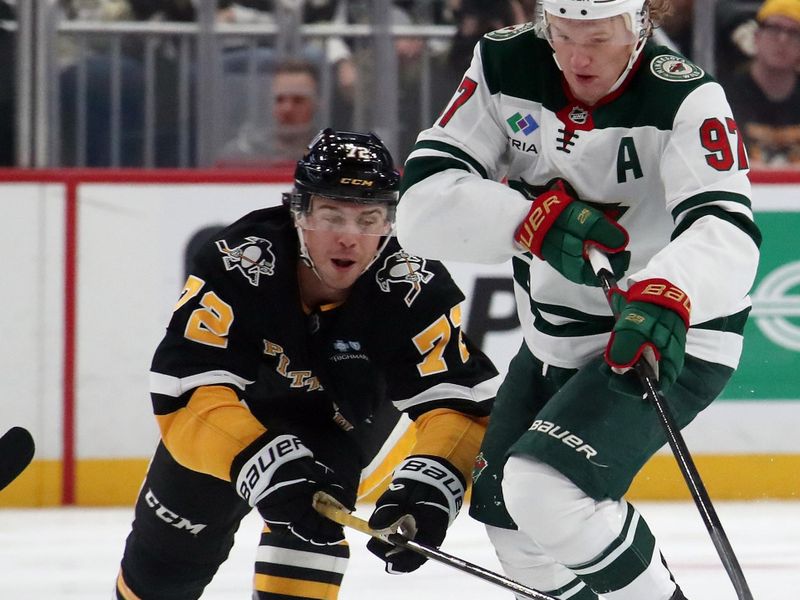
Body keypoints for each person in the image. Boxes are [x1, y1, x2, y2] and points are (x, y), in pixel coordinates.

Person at [395, 1, 761, 599]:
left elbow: (726, 227)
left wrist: (668, 290)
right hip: (554, 337)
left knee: (545, 489)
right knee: (513, 528)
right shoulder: (504, 62)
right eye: (562, 36)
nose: (577, 57)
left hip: (666, 329)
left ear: (641, 23)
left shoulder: (687, 97)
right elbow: (421, 206)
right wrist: (526, 219)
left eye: (598, 38)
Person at [114, 128, 498, 600]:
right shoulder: (241, 260)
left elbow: (457, 404)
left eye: (369, 218)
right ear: (299, 211)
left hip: (339, 430)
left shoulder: (411, 284)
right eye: (332, 214)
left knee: (306, 552)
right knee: (159, 574)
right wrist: (259, 458)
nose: (349, 239)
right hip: (229, 420)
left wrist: (431, 485)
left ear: (390, 222)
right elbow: (185, 388)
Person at [723, 0, 800, 167]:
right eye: (774, 28)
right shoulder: (726, 95)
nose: (782, 39)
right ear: (757, 36)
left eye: (794, 32)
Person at [217, 58, 321, 167]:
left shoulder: (331, 156)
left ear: (316, 103)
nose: (287, 108)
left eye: (298, 100)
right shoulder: (241, 155)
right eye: (279, 99)